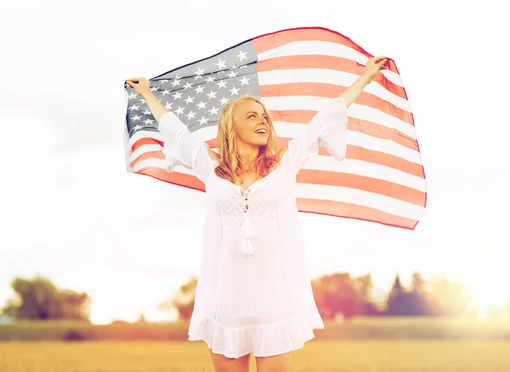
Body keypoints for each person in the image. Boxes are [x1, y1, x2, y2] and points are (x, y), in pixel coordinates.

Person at [126, 55, 389, 372]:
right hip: (225, 301)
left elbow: (326, 118)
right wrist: (147, 94)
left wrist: (365, 78)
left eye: (264, 116)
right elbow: (175, 130)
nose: (263, 121)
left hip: (273, 300)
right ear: (231, 126)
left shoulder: (284, 165)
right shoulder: (210, 167)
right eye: (252, 116)